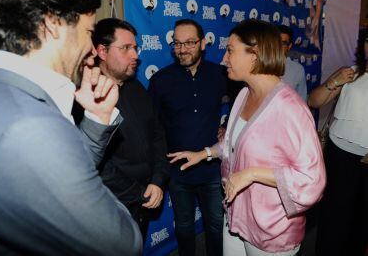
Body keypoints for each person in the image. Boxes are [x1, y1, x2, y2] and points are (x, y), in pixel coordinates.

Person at [0, 0, 142, 256]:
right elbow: (122, 243)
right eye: (88, 33)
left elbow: (66, 173)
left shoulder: (3, 99)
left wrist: (96, 117)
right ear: (51, 24)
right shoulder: (29, 125)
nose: (90, 48)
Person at [168, 19, 326, 256]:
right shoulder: (243, 94)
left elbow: (312, 182)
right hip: (236, 216)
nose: (223, 59)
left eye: (230, 50)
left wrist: (252, 174)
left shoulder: (290, 109)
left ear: (255, 55)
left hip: (271, 231)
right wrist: (205, 153)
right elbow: (234, 145)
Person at [148, 18, 227, 256]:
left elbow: (245, 101)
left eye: (190, 43)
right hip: (177, 170)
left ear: (203, 43)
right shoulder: (160, 80)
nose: (182, 49)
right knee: (183, 226)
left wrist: (227, 123)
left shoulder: (221, 74)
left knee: (215, 225)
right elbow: (153, 127)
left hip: (212, 167)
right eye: (177, 43)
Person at [89, 18, 169, 237]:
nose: (135, 55)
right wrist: (139, 192)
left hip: (145, 199)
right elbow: (96, 164)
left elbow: (158, 135)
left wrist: (157, 180)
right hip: (110, 208)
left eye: (135, 47)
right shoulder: (87, 95)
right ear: (102, 51)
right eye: (126, 48)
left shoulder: (137, 88)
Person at [311, 28, 368, 256]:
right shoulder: (350, 73)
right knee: (333, 218)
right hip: (339, 154)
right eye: (367, 40)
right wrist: (335, 81)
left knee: (361, 222)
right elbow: (314, 101)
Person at [278, 25, 307, 101]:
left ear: (289, 46)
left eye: (283, 43)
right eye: (275, 41)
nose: (278, 46)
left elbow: (302, 100)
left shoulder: (297, 70)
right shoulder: (260, 65)